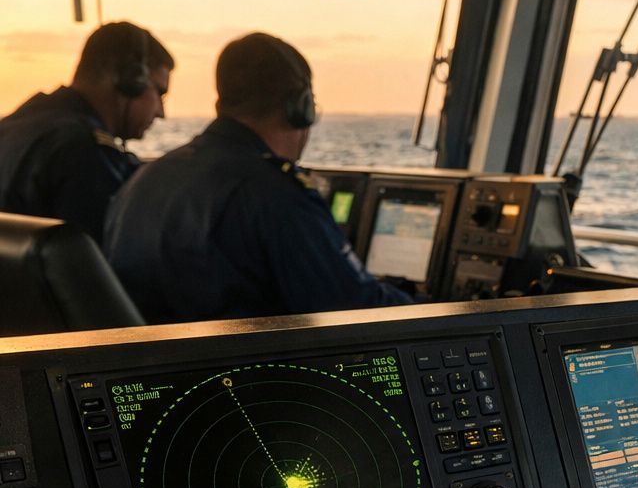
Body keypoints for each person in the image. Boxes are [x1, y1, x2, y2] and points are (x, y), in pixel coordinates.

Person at [103, 32, 415, 322]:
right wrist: (440, 306)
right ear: (300, 108)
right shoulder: (273, 194)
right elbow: (353, 306)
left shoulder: (144, 179)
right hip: (245, 376)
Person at [0, 21, 173, 241]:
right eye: (160, 92)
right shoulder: (83, 151)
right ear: (131, 80)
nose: (161, 112)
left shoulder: (16, 127)